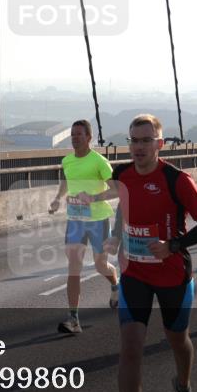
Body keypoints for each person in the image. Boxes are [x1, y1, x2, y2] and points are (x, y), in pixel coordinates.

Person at [92, 114, 197, 392]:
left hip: (174, 275)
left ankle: (184, 385)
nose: (139, 147)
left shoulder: (177, 180)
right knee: (130, 349)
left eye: (146, 140)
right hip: (135, 276)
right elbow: (122, 207)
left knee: (179, 340)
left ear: (160, 144)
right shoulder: (122, 175)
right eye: (134, 140)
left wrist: (175, 245)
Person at [49, 120, 119, 335]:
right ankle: (73, 318)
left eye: (79, 134)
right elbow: (67, 181)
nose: (74, 137)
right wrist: (58, 199)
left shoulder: (99, 162)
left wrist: (94, 198)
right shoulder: (67, 161)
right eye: (72, 134)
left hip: (98, 219)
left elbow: (116, 190)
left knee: (100, 266)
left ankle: (115, 285)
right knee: (74, 268)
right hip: (75, 220)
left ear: (89, 137)